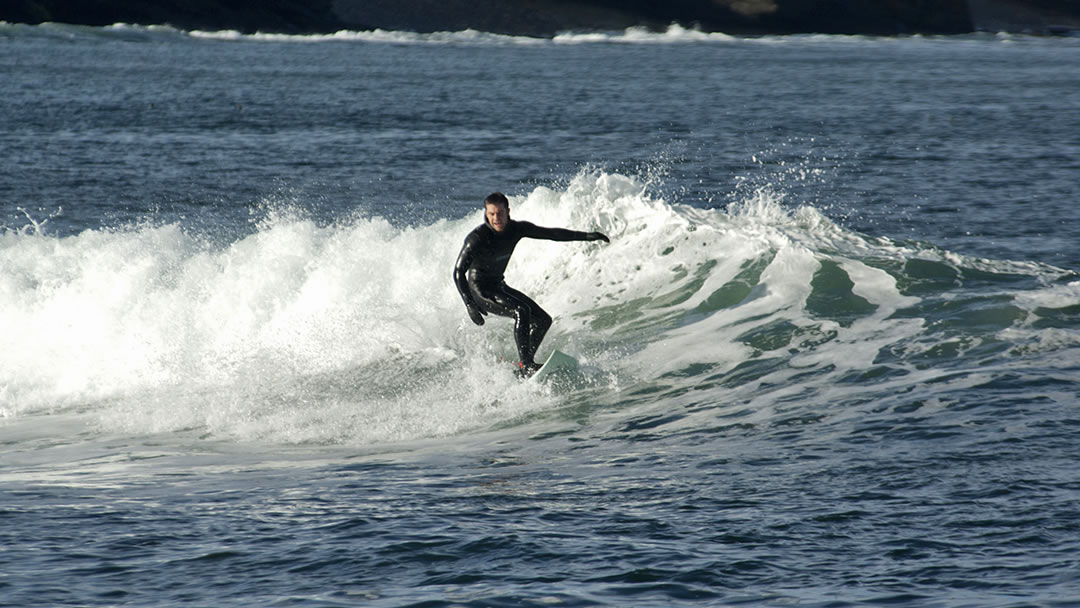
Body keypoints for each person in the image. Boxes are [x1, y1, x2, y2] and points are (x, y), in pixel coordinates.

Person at [454, 192, 610, 377]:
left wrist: (586, 236)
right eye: (492, 214)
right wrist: (470, 304)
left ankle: (524, 364)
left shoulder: (516, 229)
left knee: (543, 320)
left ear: (508, 211)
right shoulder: (477, 238)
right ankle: (527, 365)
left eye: (500, 213)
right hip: (480, 290)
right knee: (522, 310)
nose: (497, 218)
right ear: (486, 214)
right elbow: (458, 272)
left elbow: (551, 233)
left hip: (498, 285)